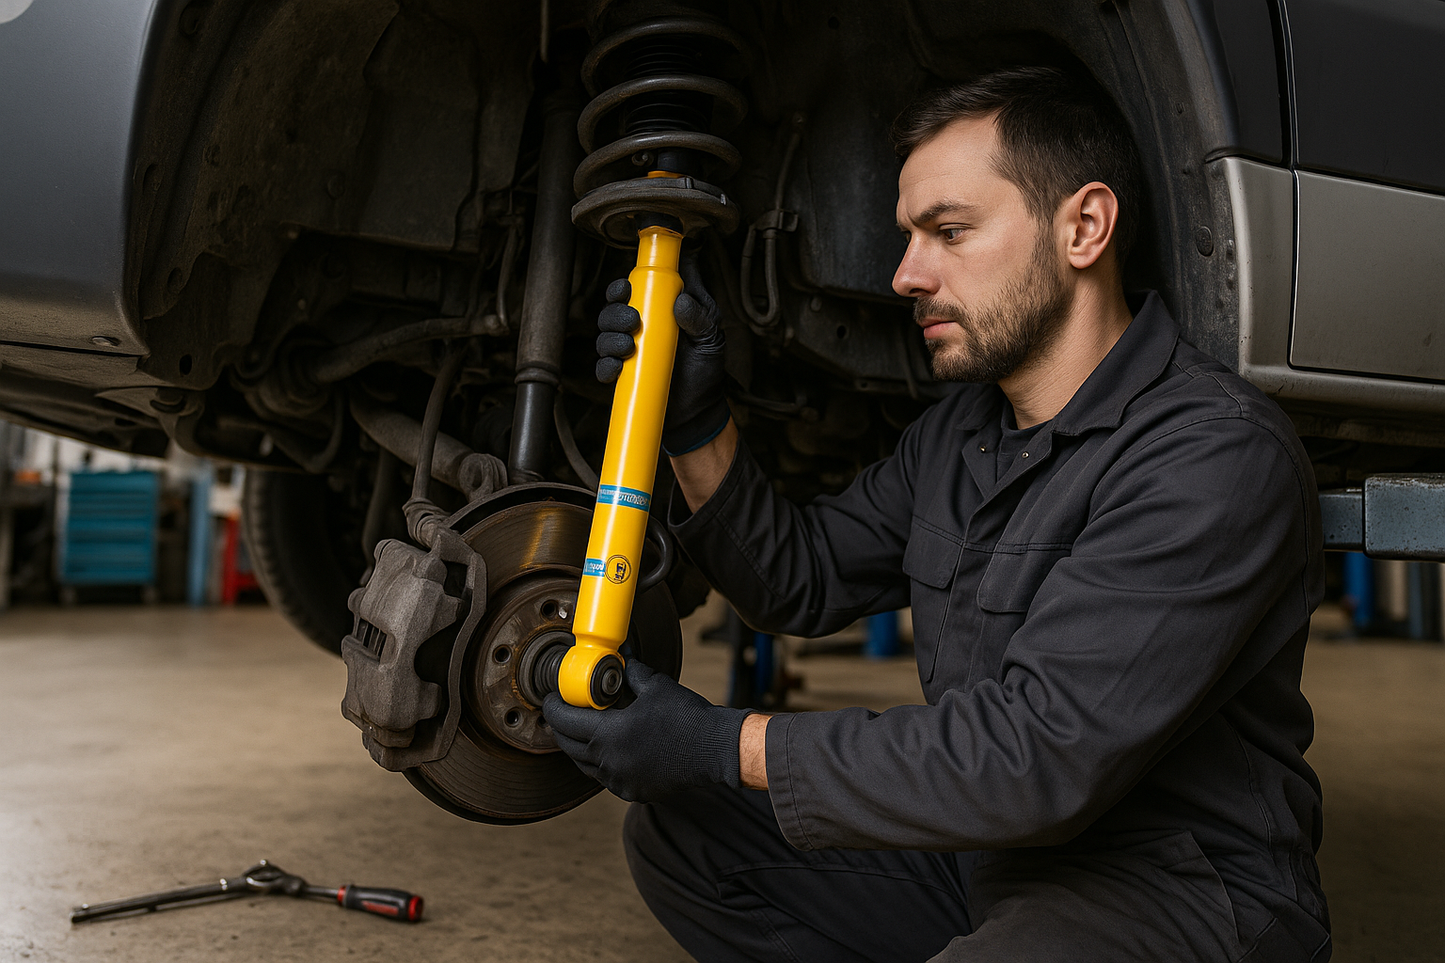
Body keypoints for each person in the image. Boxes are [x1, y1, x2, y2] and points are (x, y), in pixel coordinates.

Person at [543, 66, 1330, 963]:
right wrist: (693, 422)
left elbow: (1035, 756)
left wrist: (723, 744)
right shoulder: (959, 435)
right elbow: (799, 579)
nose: (905, 275)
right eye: (908, 237)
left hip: (1179, 892)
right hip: (997, 859)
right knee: (689, 836)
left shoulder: (1211, 454)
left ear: (1083, 227)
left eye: (948, 232)